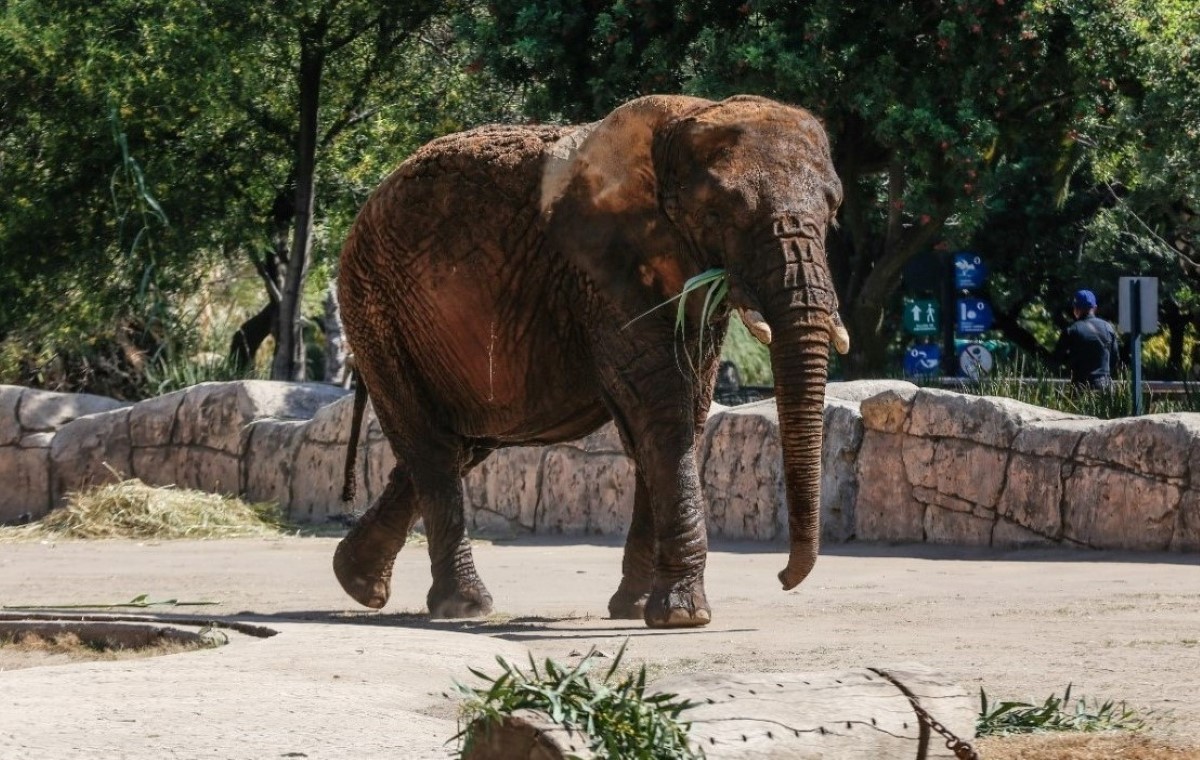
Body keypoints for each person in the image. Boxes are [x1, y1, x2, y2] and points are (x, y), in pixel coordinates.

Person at [1052, 289, 1120, 390]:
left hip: (1081, 387)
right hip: (1105, 386)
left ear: (1075, 309)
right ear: (1095, 308)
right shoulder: (1108, 327)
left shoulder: (1072, 330)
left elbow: (1057, 359)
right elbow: (1115, 358)